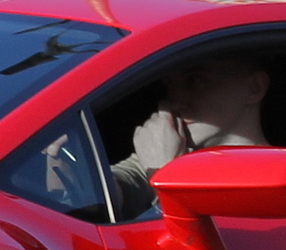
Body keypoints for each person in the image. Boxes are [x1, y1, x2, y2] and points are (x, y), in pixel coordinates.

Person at [112, 52, 271, 202]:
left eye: (195, 80)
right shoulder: (166, 152)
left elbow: (211, 230)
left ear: (254, 88)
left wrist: (164, 174)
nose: (175, 102)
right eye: (169, 85)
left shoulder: (284, 178)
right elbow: (111, 186)